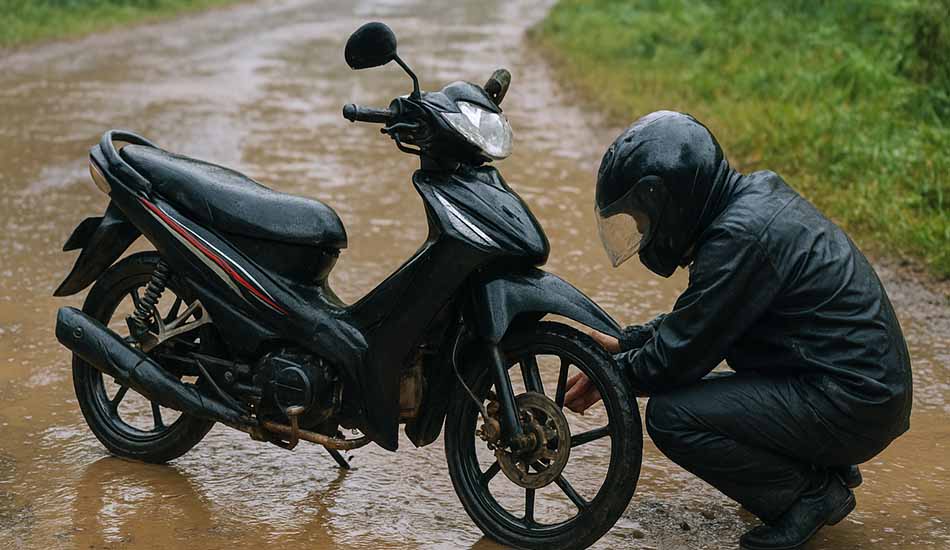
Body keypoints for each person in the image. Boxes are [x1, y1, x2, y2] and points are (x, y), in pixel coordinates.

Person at [564, 111, 913, 550]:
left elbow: (678, 357)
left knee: (673, 416)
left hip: (853, 401)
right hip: (859, 389)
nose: (642, 232)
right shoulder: (748, 208)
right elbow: (702, 316)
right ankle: (822, 468)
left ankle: (807, 496)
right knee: (698, 396)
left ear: (666, 200)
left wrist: (609, 374)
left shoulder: (738, 237)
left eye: (641, 219)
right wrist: (629, 341)